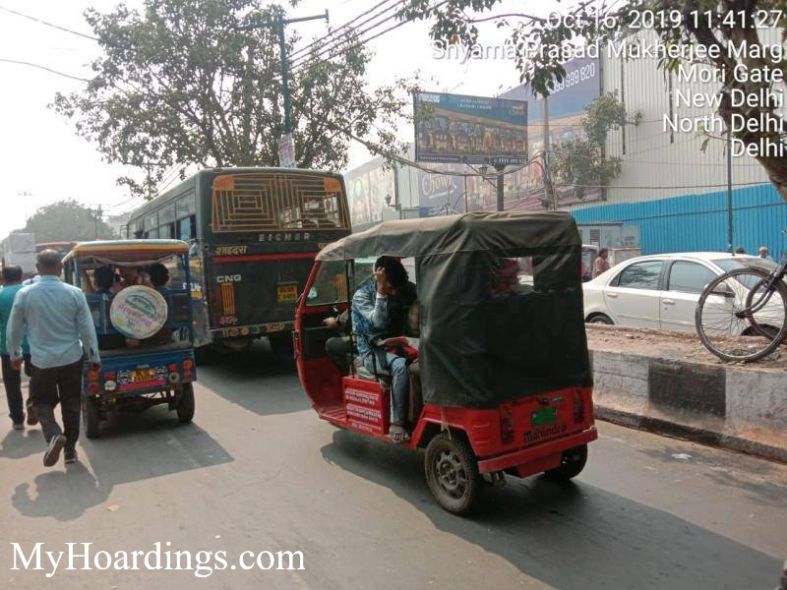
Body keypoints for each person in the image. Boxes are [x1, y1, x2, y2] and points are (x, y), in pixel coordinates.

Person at [7, 250, 100, 467]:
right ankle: (70, 451)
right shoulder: (75, 293)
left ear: (38, 269)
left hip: (42, 360)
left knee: (40, 402)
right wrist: (94, 355)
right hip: (72, 357)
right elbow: (86, 328)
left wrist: (15, 354)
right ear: (60, 268)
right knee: (71, 403)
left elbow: (14, 328)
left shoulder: (25, 294)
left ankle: (54, 434)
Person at [352, 256, 412, 442]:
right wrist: (381, 291)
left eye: (395, 289)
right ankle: (397, 422)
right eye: (390, 287)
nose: (394, 292)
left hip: (397, 345)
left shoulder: (399, 290)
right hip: (371, 352)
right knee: (400, 366)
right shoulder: (362, 296)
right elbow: (378, 322)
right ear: (378, 275)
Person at [0, 265, 34, 430]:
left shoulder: (1, 295)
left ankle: (18, 419)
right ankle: (33, 402)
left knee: (12, 383)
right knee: (37, 377)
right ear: (21, 276)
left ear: (3, 278)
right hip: (33, 344)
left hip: (7, 346)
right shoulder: (31, 292)